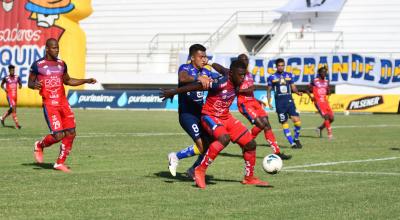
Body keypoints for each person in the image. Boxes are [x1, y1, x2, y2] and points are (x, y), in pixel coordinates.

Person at [161, 60, 268, 189]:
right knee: (224, 139)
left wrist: (211, 62)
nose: (242, 78)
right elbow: (196, 86)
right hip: (209, 116)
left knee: (250, 144)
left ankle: (249, 178)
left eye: (244, 75)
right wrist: (174, 92)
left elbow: (221, 68)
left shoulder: (233, 75)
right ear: (232, 73)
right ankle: (200, 170)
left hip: (226, 117)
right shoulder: (219, 83)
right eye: (240, 75)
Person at [28, 38, 97, 173]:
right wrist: (34, 85)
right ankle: (39, 145)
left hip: (63, 103)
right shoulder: (37, 65)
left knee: (71, 132)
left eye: (58, 48)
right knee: (58, 135)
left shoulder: (62, 64)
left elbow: (68, 80)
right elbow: (30, 83)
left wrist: (86, 80)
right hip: (50, 105)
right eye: (54, 48)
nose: (56, 50)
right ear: (47, 49)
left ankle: (59, 163)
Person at [166, 44, 213, 178]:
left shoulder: (206, 71)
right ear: (192, 57)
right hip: (187, 114)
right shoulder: (185, 68)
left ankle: (193, 170)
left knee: (212, 145)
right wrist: (198, 78)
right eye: (201, 57)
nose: (204, 59)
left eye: (205, 57)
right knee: (202, 145)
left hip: (201, 114)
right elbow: (182, 78)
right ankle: (175, 156)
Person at [236, 54, 291, 160]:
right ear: (238, 61)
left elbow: (249, 90)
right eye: (243, 59)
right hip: (244, 104)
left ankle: (277, 152)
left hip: (253, 102)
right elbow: (236, 90)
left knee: (267, 123)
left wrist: (257, 99)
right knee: (261, 124)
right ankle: (246, 143)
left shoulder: (249, 74)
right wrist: (250, 89)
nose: (245, 61)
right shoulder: (236, 75)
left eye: (246, 59)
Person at [267, 58, 303, 149]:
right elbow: (269, 90)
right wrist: (269, 101)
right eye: (279, 65)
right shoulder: (272, 77)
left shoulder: (289, 75)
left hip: (289, 101)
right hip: (280, 104)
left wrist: (297, 92)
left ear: (284, 66)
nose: (281, 67)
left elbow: (293, 87)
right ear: (276, 66)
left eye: (282, 65)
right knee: (284, 122)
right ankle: (292, 143)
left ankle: (296, 138)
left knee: (297, 121)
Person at [306, 66, 334, 139]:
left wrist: (329, 91)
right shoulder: (315, 80)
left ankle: (320, 128)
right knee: (326, 117)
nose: (324, 73)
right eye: (323, 72)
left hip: (325, 102)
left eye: (325, 72)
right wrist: (311, 97)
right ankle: (330, 135)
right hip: (318, 102)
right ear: (319, 73)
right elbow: (307, 89)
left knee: (332, 118)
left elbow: (327, 90)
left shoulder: (327, 81)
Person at [0, 64, 22, 129]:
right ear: (9, 71)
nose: (12, 71)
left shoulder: (17, 77)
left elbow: (20, 84)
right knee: (13, 109)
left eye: (13, 70)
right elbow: (1, 85)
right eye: (11, 70)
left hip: (15, 96)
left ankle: (2, 118)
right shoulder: (6, 78)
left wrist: (20, 86)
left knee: (12, 109)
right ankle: (17, 125)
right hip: (9, 96)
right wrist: (4, 89)